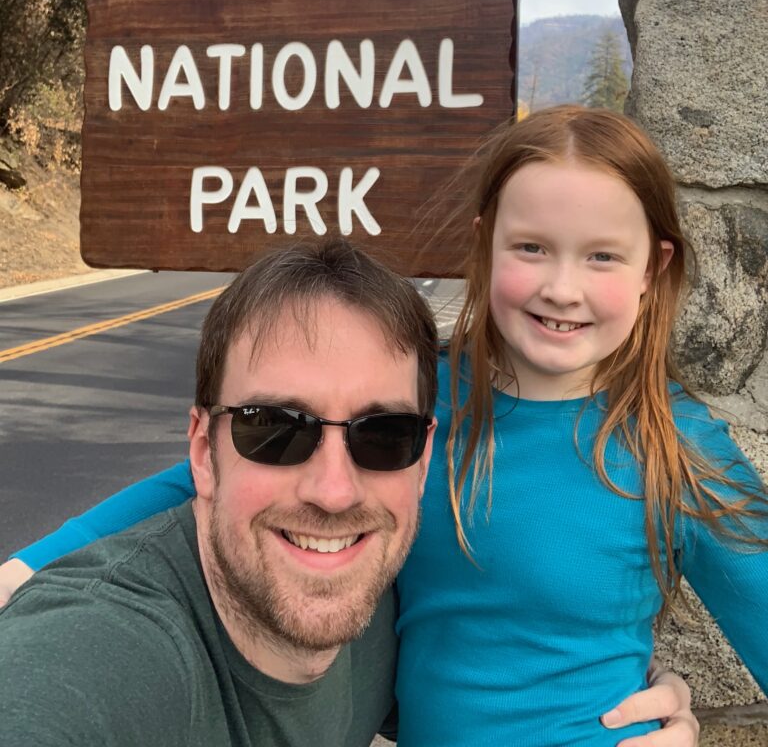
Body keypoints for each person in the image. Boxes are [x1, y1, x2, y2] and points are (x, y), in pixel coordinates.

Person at [2, 111, 729, 741]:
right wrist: (31, 566)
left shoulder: (682, 447)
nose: (561, 286)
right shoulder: (412, 403)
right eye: (532, 247)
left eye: (602, 255)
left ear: (652, 267)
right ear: (485, 244)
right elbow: (210, 471)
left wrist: (676, 705)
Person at [0, 240, 440, 745]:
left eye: (384, 434)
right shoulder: (101, 648)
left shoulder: (395, 610)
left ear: (422, 458)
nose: (335, 492)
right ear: (204, 453)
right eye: (274, 427)